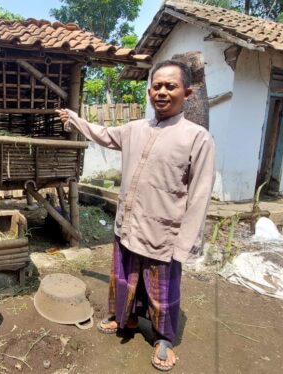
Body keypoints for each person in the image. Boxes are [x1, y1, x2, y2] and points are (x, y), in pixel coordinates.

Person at [56, 60, 215, 372]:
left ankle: (163, 337)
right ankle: (124, 319)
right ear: (149, 91)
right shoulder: (134, 130)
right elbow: (101, 133)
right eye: (157, 86)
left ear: (188, 92)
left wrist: (185, 244)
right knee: (123, 280)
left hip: (164, 232)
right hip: (127, 226)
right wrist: (75, 119)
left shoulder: (197, 137)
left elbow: (199, 196)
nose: (162, 92)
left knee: (162, 291)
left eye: (171, 86)